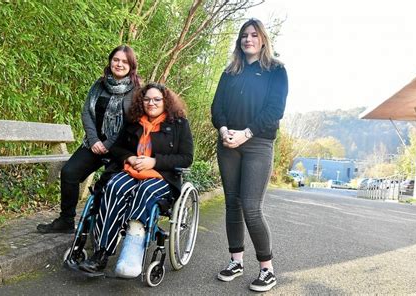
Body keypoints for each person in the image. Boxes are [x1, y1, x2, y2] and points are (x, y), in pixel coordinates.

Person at [78, 83, 193, 277]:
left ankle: (131, 253)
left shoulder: (179, 124)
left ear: (166, 101)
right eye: (147, 99)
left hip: (161, 176)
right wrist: (129, 158)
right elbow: (116, 148)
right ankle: (101, 253)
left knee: (144, 191)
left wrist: (154, 162)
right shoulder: (133, 120)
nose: (151, 103)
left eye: (157, 99)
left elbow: (186, 157)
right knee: (113, 187)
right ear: (141, 101)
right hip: (131, 170)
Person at [211, 18, 288, 292]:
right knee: (232, 203)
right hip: (228, 143)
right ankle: (236, 261)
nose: (248, 39)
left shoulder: (276, 71)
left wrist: (246, 133)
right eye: (244, 35)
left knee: (251, 207)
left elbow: (274, 110)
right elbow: (216, 107)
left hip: (258, 144)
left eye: (254, 35)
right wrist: (223, 130)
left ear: (263, 39)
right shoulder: (230, 71)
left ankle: (267, 269)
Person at [37, 45, 141, 233]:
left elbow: (131, 123)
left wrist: (109, 144)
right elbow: (87, 111)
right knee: (69, 172)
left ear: (131, 65)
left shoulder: (136, 92)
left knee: (108, 186)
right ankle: (66, 221)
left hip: (120, 149)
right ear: (110, 61)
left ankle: (101, 227)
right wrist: (94, 140)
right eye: (116, 60)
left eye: (124, 61)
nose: (119, 64)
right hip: (93, 145)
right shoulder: (99, 84)